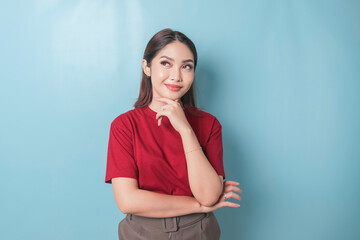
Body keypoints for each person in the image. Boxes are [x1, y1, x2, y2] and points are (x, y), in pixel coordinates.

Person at [105, 28, 242, 240]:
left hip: (199, 230)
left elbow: (208, 195)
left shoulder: (209, 124)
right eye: (165, 63)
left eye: (186, 66)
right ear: (147, 67)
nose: (176, 76)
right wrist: (197, 205)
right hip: (141, 232)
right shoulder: (124, 126)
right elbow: (128, 201)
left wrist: (185, 129)